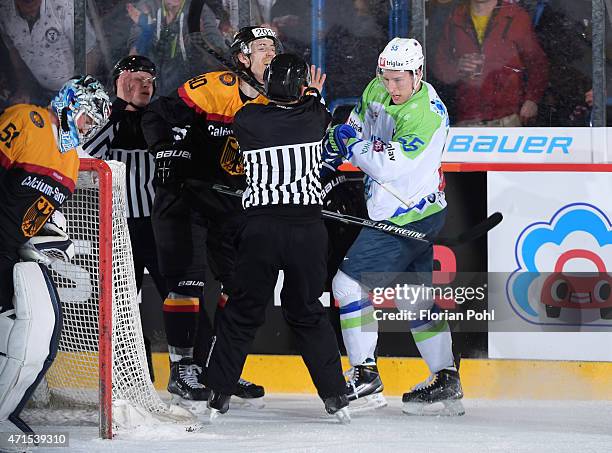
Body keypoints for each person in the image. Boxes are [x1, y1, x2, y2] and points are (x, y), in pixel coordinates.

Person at [204, 53, 349, 423]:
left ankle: (219, 393)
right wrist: (313, 92)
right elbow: (309, 105)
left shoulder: (247, 119)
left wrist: (270, 87)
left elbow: (267, 105)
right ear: (302, 88)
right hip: (307, 230)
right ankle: (334, 396)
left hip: (260, 230)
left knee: (243, 310)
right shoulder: (317, 115)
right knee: (308, 312)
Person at [322, 38, 465, 416]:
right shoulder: (378, 86)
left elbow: (386, 165)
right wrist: (337, 144)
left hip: (406, 214)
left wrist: (350, 144)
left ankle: (365, 377)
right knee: (413, 297)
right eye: (386, 77)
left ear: (419, 73)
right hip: (408, 210)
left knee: (347, 284)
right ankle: (446, 378)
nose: (391, 87)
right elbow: (356, 124)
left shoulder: (426, 113)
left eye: (399, 79)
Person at [141, 25, 279, 408]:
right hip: (187, 199)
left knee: (240, 286)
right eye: (261, 47)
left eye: (273, 47)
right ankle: (183, 370)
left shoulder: (282, 97)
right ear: (242, 58)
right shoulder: (213, 87)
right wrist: (166, 149)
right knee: (188, 280)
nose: (269, 53)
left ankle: (221, 369)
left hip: (233, 205)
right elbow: (157, 114)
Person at [0, 75, 111, 431]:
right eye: (86, 118)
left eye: (94, 124)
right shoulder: (26, 120)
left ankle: (4, 414)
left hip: (11, 257)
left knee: (41, 340)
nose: (88, 128)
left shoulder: (70, 161)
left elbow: (40, 214)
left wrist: (55, 237)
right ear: (69, 104)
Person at [82, 55, 167, 381]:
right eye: (136, 79)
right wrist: (118, 106)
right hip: (118, 229)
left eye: (149, 80)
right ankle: (134, 373)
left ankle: (191, 368)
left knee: (180, 295)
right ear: (119, 81)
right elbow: (87, 155)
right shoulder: (106, 119)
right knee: (120, 308)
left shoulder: (161, 117)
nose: (144, 85)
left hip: (159, 227)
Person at [432, 0, 548, 126]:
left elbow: (537, 63)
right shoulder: (454, 17)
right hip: (467, 120)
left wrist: (532, 99)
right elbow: (440, 69)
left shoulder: (516, 16)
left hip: (508, 118)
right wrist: (457, 67)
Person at [0, 0, 102, 105]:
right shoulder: (4, 12)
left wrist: (77, 90)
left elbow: (90, 53)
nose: (31, 3)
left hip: (78, 87)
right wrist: (25, 89)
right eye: (26, 1)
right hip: (44, 91)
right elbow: (15, 53)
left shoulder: (65, 6)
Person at [126, 0, 227, 96]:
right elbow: (133, 60)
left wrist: (201, 39)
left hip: (187, 91)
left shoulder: (200, 11)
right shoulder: (147, 7)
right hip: (151, 88)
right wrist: (146, 32)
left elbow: (219, 59)